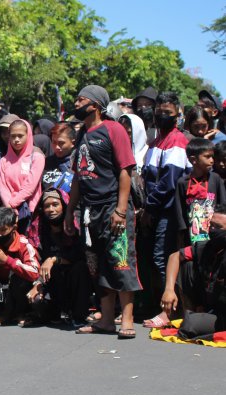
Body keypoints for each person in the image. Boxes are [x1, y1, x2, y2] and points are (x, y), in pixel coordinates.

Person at [64, 85, 140, 339]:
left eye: (81, 99)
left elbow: (125, 170)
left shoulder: (113, 129)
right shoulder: (83, 133)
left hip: (112, 208)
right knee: (98, 267)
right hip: (89, 211)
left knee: (120, 262)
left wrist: (120, 210)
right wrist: (69, 212)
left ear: (95, 105)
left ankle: (127, 319)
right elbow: (77, 177)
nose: (76, 103)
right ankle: (106, 320)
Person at [141, 92, 190, 281]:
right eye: (159, 111)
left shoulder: (177, 140)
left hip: (168, 210)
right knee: (153, 258)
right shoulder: (155, 142)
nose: (162, 116)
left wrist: (150, 208)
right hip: (156, 209)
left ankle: (171, 307)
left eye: (167, 112)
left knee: (162, 258)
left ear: (177, 115)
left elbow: (169, 182)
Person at [27, 189, 91, 328]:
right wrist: (38, 284)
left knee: (80, 268)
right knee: (37, 300)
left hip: (75, 280)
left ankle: (79, 315)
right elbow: (36, 260)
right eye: (47, 206)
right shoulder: (39, 231)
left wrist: (54, 259)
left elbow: (79, 256)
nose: (51, 209)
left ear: (64, 205)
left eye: (55, 204)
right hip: (52, 281)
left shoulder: (75, 227)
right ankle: (55, 313)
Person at [160, 205, 226, 337]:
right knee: (187, 266)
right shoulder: (207, 247)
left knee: (190, 326)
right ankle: (192, 312)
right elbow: (175, 257)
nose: (212, 230)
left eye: (218, 227)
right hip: (209, 304)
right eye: (211, 225)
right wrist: (169, 290)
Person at [0, 119, 45, 234]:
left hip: (31, 210)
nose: (16, 140)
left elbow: (30, 186)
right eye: (13, 136)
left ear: (28, 135)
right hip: (11, 212)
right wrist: (10, 208)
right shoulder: (3, 161)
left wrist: (13, 203)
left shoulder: (36, 156)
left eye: (20, 136)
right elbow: (3, 187)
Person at [42, 122, 76, 191]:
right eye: (54, 142)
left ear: (73, 143)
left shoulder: (78, 163)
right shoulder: (46, 163)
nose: (57, 147)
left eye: (61, 143)